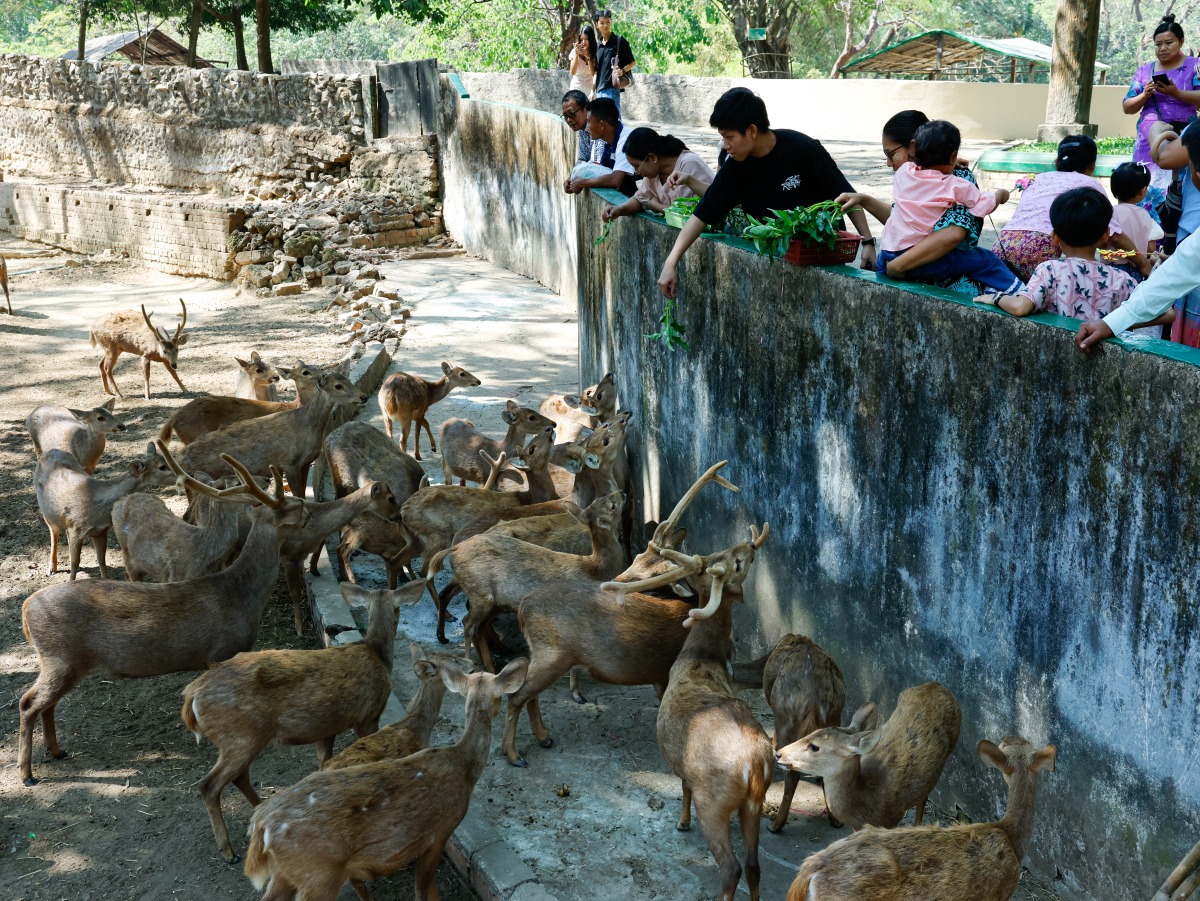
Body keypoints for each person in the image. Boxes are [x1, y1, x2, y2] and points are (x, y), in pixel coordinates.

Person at [657, 88, 876, 297]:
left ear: (752, 130)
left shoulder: (803, 149)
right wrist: (670, 262)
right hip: (777, 263)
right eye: (722, 138)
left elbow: (847, 196)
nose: (725, 145)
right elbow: (703, 214)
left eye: (729, 137)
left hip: (823, 255)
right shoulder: (734, 167)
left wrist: (867, 242)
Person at [977, 188, 1174, 338]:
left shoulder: (1049, 270)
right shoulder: (1121, 279)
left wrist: (995, 298)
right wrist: (1119, 322)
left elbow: (1020, 307)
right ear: (1105, 235)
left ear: (1054, 237)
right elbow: (1168, 314)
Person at [1078, 126, 1200, 352]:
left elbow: (1171, 277)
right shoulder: (1146, 216)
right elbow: (1173, 271)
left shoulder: (1113, 213)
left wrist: (1111, 322)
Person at [837, 110, 986, 293]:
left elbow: (953, 234)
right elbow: (904, 225)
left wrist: (896, 266)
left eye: (890, 154)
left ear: (913, 147)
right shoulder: (914, 176)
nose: (888, 163)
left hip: (946, 288)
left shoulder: (958, 178)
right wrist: (864, 200)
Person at [877, 120, 1022, 295]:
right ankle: (1022, 294)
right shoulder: (956, 185)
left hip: (887, 254)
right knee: (986, 259)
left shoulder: (903, 173)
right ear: (953, 156)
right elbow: (982, 205)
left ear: (913, 147)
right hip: (922, 261)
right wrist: (1000, 195)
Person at [994, 135, 1147, 282]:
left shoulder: (1038, 179)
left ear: (1057, 161)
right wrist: (1143, 264)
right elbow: (1115, 236)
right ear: (1092, 166)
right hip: (1039, 250)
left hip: (1002, 245)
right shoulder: (1089, 185)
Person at [1123, 14, 1200, 197]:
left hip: (1184, 137)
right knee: (1146, 187)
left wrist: (1177, 93)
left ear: (1181, 41)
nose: (1163, 49)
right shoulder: (1144, 71)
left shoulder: (1195, 66)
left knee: (1181, 188)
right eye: (1158, 45)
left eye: (1169, 43)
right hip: (1148, 140)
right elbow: (1127, 107)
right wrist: (1144, 95)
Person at [601, 128, 715, 221]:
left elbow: (687, 215)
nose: (636, 171)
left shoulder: (688, 164)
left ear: (652, 158)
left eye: (636, 166)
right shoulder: (654, 174)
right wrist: (619, 209)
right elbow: (640, 199)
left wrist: (657, 206)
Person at [564, 97, 637, 197]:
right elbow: (601, 171)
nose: (587, 127)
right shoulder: (609, 142)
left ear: (602, 125)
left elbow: (615, 180)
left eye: (589, 122)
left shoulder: (626, 139)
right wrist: (572, 179)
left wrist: (582, 182)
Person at [1109, 161, 1165, 279]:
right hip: (1137, 269)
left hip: (1111, 269)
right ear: (1142, 191)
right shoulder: (1145, 215)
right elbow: (1151, 246)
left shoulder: (1110, 213)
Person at [593, 10, 635, 114]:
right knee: (602, 121)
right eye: (602, 23)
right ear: (597, 24)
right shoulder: (598, 45)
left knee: (614, 120)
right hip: (599, 90)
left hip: (612, 88)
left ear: (611, 22)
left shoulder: (619, 41)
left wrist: (622, 71)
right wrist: (592, 90)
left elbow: (632, 62)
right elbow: (596, 71)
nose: (605, 25)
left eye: (608, 22)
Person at [561, 89, 596, 175]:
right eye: (565, 116)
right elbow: (583, 158)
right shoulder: (582, 129)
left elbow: (598, 164)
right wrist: (571, 178)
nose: (569, 120)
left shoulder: (598, 127)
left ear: (586, 109)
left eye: (572, 114)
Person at [569, 26, 597, 98]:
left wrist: (588, 58)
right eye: (581, 40)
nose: (583, 42)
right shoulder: (574, 52)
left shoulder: (596, 52)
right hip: (576, 87)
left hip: (590, 89)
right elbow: (573, 72)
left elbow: (594, 74)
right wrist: (577, 54)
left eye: (586, 39)